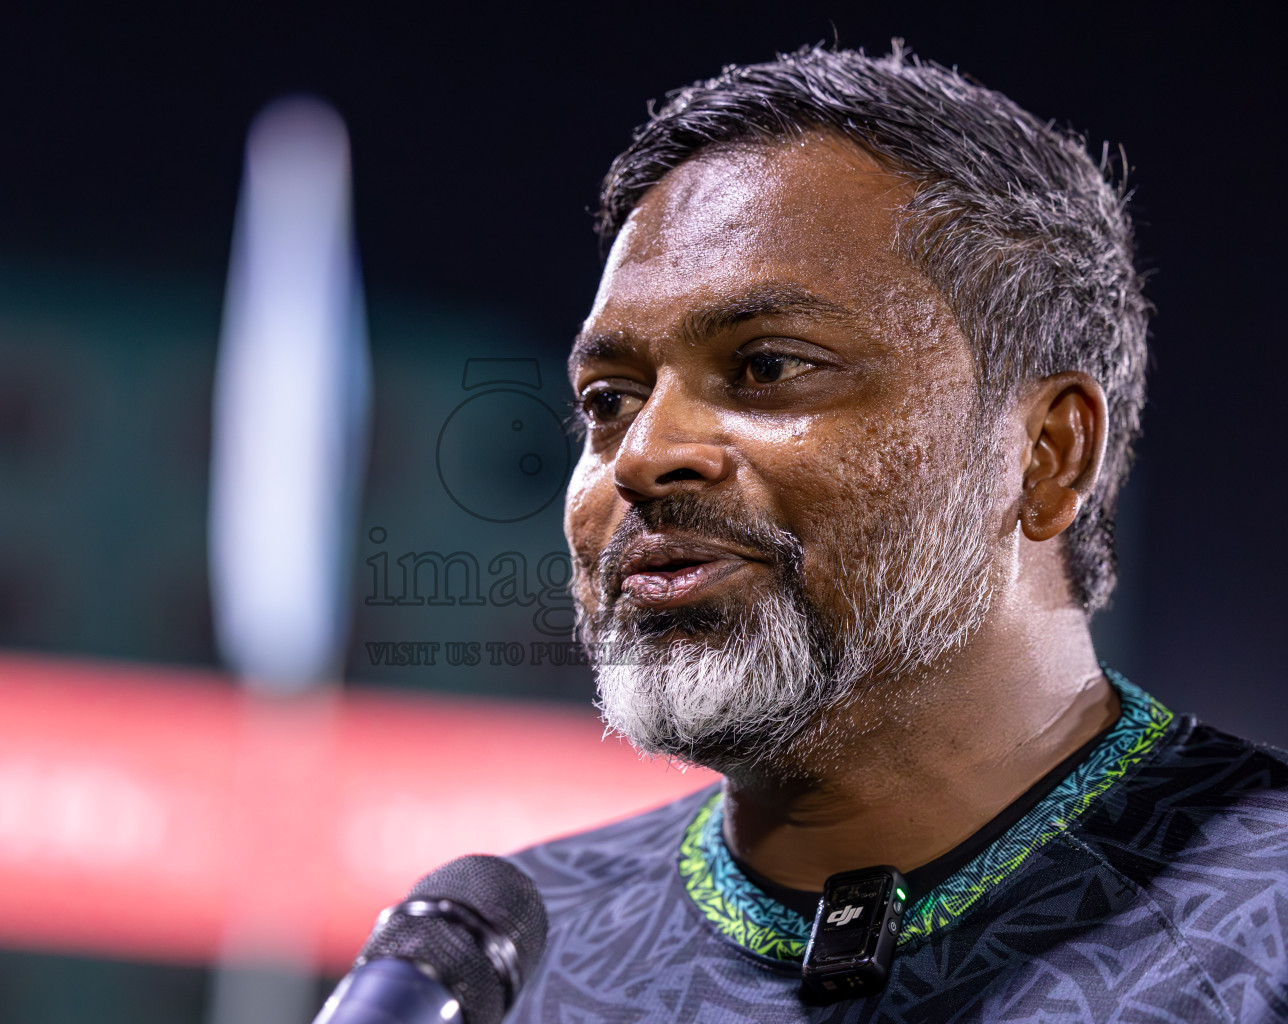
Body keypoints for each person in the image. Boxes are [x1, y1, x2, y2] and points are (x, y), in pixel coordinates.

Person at [508, 44, 1288, 1022]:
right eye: (610, 398)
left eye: (768, 368)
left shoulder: (1265, 929)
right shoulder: (507, 949)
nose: (642, 456)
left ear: (1046, 453)